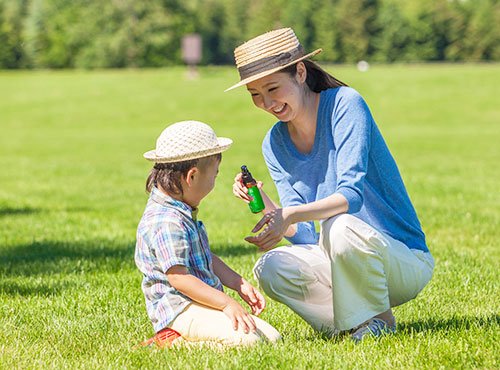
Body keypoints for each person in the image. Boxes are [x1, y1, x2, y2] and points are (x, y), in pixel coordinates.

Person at [228, 28, 434, 341]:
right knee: (270, 267)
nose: (267, 103)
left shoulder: (344, 105)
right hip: (341, 258)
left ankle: (378, 320)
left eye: (272, 88)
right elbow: (307, 235)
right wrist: (264, 201)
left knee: (339, 225)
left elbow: (350, 197)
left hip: (400, 259)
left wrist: (291, 214)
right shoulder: (274, 143)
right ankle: (351, 325)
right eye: (255, 95)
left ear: (299, 72)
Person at [135, 120, 281, 348]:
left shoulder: (180, 209)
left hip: (200, 302)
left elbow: (203, 256)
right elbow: (179, 278)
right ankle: (170, 343)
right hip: (181, 309)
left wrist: (238, 283)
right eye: (215, 174)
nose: (215, 181)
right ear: (192, 176)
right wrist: (226, 303)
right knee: (249, 342)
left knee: (272, 338)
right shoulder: (167, 220)